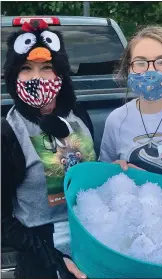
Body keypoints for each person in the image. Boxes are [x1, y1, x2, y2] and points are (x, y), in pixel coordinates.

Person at [2, 19, 96, 279]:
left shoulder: (79, 115)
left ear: (61, 73)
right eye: (26, 68)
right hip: (41, 258)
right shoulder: (9, 134)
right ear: (14, 75)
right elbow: (3, 220)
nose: (36, 78)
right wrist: (53, 259)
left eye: (47, 68)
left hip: (92, 240)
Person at [99, 25, 162, 178]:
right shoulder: (116, 120)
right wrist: (114, 171)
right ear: (128, 68)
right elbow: (104, 176)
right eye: (140, 62)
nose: (151, 71)